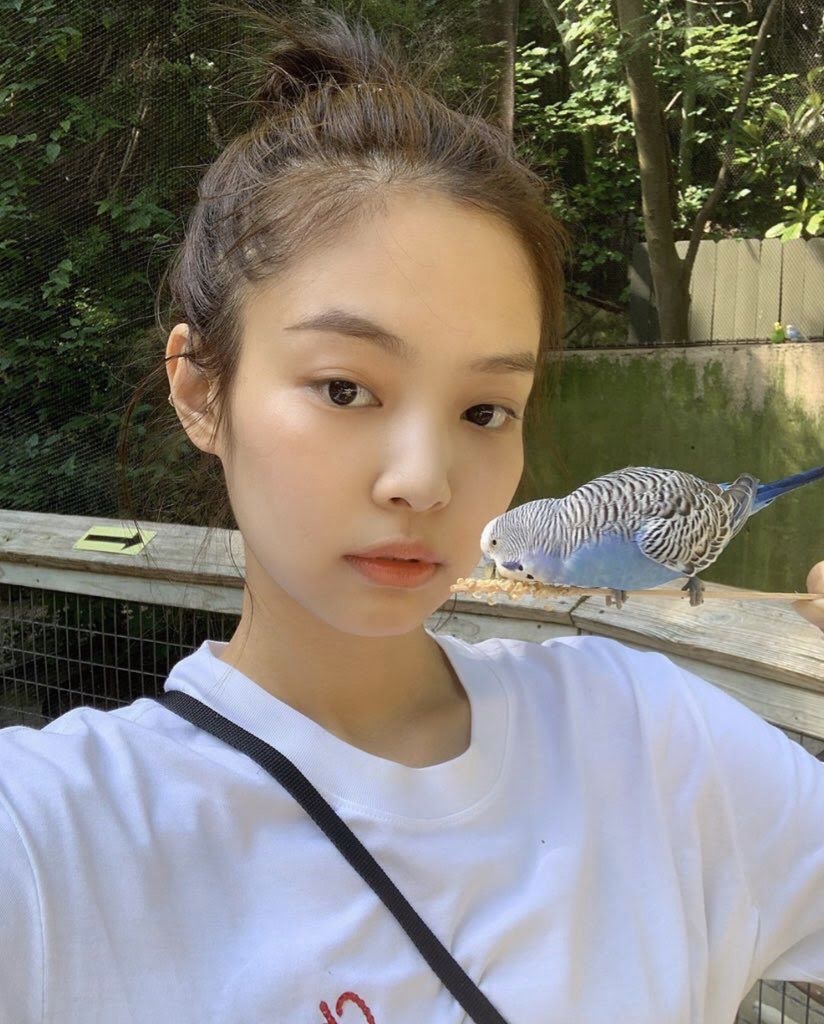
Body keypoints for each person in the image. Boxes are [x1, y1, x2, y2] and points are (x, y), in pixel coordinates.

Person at [2, 8, 823, 1023]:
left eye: (484, 410)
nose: (425, 482)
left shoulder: (652, 742)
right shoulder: (48, 840)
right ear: (202, 391)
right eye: (345, 389)